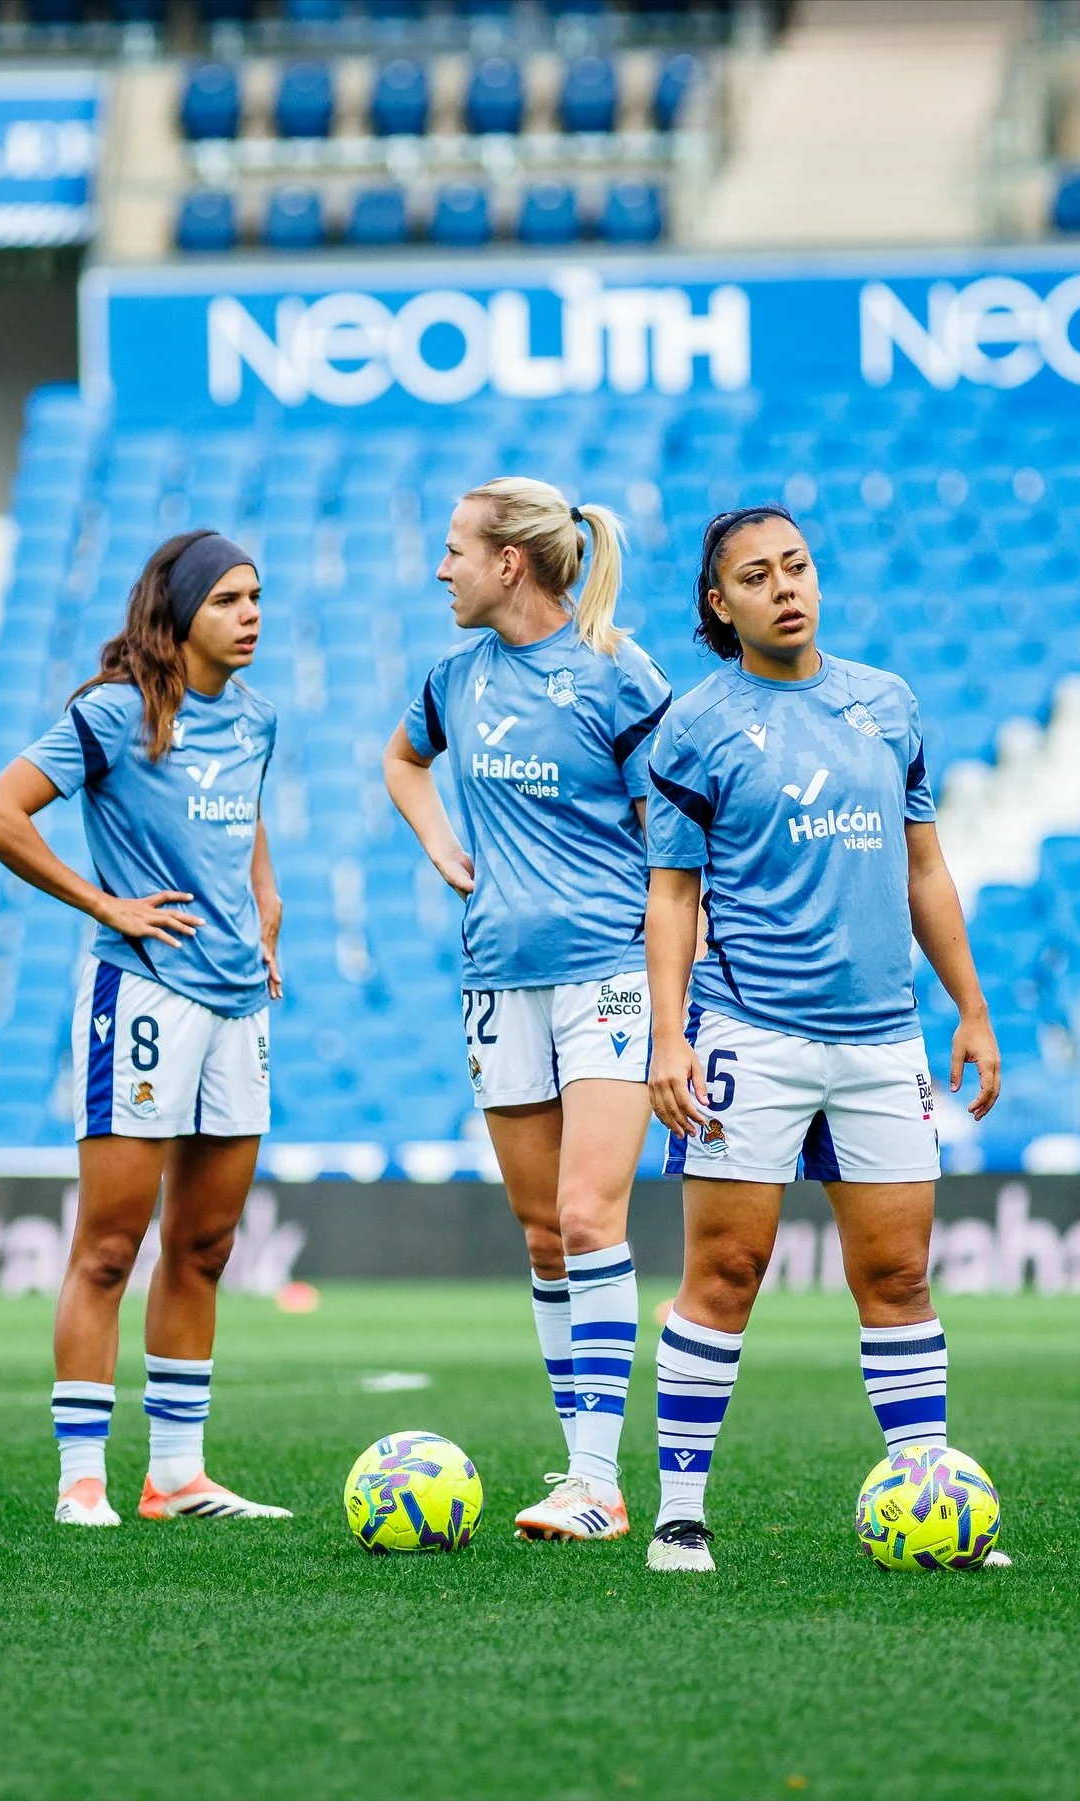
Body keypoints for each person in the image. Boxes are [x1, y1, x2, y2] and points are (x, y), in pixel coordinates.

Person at [641, 504, 1006, 1573]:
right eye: (756, 576)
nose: (784, 586)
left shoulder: (885, 704)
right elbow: (672, 895)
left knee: (897, 1276)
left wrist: (970, 1007)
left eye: (796, 565)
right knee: (729, 1269)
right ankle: (679, 1513)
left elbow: (925, 865)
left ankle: (930, 1503)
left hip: (882, 1038)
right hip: (749, 1033)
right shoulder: (696, 726)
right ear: (721, 604)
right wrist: (669, 1036)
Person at [0, 531, 290, 1528]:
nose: (251, 615)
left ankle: (178, 1477)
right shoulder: (113, 713)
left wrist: (266, 914)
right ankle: (82, 1479)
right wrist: (106, 906)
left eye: (258, 597)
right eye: (230, 599)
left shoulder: (257, 718)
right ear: (180, 612)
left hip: (239, 1004)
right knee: (108, 1246)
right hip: (142, 997)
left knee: (205, 1246)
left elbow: (247, 823)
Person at [384, 477, 671, 1541]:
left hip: (607, 973)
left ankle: (598, 1482)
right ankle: (578, 1468)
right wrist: (433, 834)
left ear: (510, 561)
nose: (440, 566)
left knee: (593, 1216)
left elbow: (673, 837)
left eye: (455, 547)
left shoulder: (616, 674)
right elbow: (402, 762)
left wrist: (679, 987)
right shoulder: (452, 679)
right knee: (545, 1232)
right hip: (497, 978)